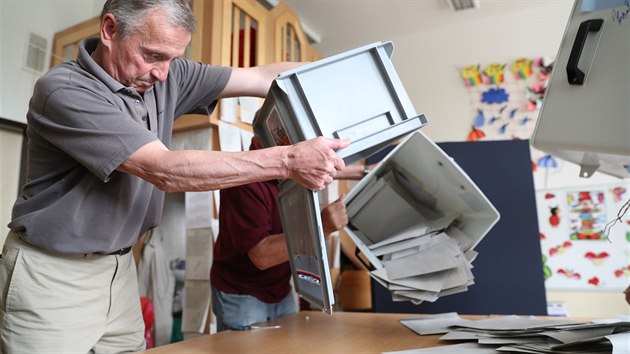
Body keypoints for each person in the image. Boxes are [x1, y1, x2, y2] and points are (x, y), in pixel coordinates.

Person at [0, 1, 350, 353]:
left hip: (119, 267)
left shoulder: (167, 75)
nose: (163, 74)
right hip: (53, 272)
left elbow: (259, 77)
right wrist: (289, 159)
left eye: (173, 58)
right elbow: (164, 170)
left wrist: (343, 73)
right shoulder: (65, 91)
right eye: (153, 55)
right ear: (109, 30)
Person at [210, 136, 368, 331]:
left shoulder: (290, 170)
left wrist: (362, 171)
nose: (295, 155)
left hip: (280, 290)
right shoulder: (244, 182)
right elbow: (262, 256)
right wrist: (322, 227)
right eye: (286, 148)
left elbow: (312, 167)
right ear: (258, 141)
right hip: (242, 295)